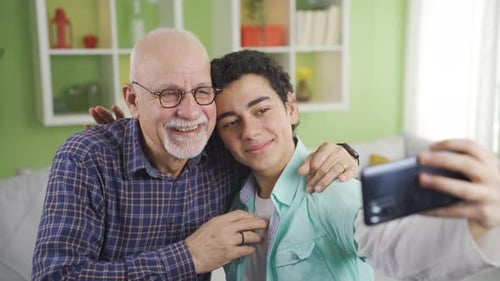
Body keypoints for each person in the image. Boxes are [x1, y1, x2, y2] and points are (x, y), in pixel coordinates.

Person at [32, 28, 358, 281]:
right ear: (133, 100)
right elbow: (55, 275)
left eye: (202, 92)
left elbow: (273, 148)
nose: (190, 112)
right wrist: (189, 256)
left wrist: (345, 155)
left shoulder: (221, 148)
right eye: (168, 94)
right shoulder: (86, 158)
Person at [209, 49, 500, 280]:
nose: (249, 131)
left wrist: (479, 223)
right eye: (231, 122)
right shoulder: (234, 200)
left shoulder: (329, 189)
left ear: (291, 108)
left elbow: (398, 247)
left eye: (262, 110)